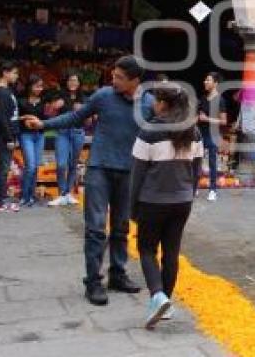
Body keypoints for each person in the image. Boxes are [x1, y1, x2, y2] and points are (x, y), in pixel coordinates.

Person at [24, 56, 154, 305]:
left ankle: (118, 275)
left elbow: (159, 134)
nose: (113, 80)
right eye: (113, 76)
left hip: (129, 172)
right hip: (99, 169)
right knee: (95, 228)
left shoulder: (148, 104)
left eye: (119, 77)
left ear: (135, 80)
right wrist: (43, 124)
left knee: (121, 227)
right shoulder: (103, 96)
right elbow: (74, 118)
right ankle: (93, 282)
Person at [131, 84, 202, 329]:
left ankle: (158, 295)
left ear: (163, 104)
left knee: (147, 249)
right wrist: (188, 196)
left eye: (155, 99)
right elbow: (196, 170)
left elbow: (137, 175)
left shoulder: (149, 131)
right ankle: (166, 304)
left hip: (152, 201)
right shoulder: (194, 132)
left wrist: (132, 208)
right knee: (171, 251)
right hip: (182, 201)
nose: (152, 103)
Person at [48, 72, 88, 207]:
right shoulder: (60, 96)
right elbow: (49, 114)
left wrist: (83, 112)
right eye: (70, 80)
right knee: (61, 164)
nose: (73, 83)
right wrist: (54, 107)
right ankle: (62, 194)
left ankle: (67, 193)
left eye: (75, 80)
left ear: (79, 83)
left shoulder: (83, 98)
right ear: (66, 82)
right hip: (62, 132)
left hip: (78, 132)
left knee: (73, 164)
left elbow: (88, 122)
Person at [0, 60, 20, 213]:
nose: (16, 76)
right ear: (5, 72)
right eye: (15, 73)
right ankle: (1, 202)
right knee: (3, 168)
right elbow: (2, 117)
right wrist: (9, 138)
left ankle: (1, 200)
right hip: (4, 137)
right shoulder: (1, 92)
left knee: (4, 168)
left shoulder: (6, 91)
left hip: (8, 134)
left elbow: (10, 115)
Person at [17, 74, 48, 207]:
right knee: (30, 165)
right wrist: (26, 118)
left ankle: (31, 195)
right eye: (37, 86)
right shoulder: (21, 101)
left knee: (35, 166)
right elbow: (15, 119)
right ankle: (24, 196)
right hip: (26, 136)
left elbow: (46, 119)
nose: (39, 89)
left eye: (41, 86)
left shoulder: (43, 101)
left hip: (39, 135)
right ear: (30, 86)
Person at [198, 72, 228, 201]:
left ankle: (213, 190)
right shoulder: (203, 98)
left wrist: (207, 119)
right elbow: (199, 116)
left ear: (215, 83)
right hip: (200, 133)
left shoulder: (220, 100)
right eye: (205, 80)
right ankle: (195, 187)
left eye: (208, 80)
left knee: (212, 162)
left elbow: (223, 121)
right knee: (196, 161)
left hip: (213, 135)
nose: (205, 82)